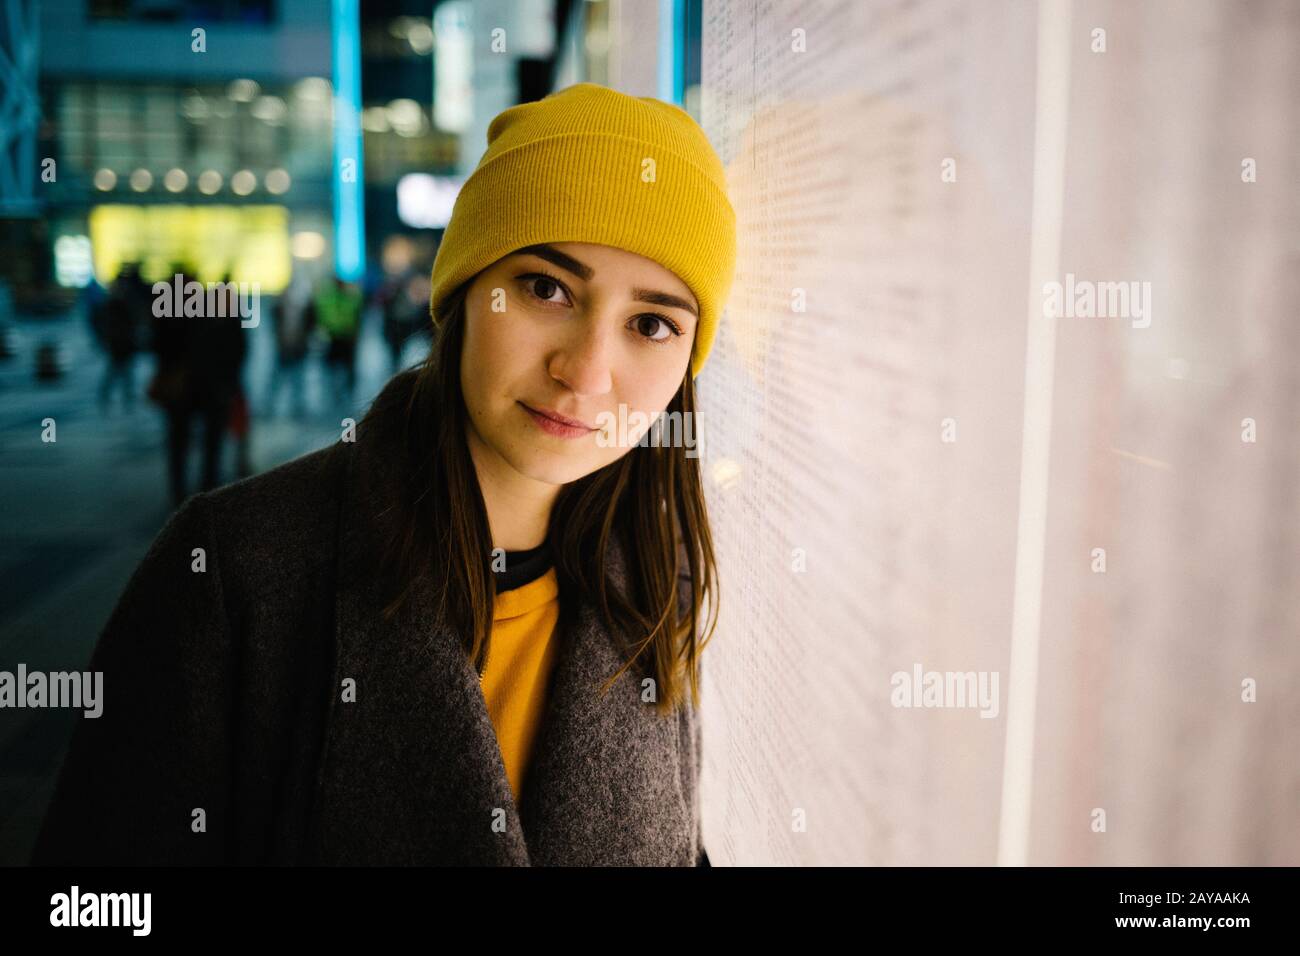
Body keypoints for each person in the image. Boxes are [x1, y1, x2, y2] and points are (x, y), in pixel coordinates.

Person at [29, 82, 735, 866]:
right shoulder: (236, 572)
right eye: (546, 288)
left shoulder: (654, 576)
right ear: (465, 290)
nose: (586, 372)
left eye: (652, 323)